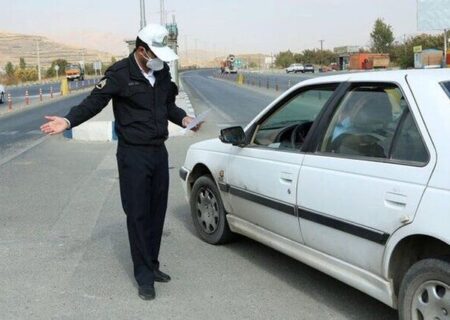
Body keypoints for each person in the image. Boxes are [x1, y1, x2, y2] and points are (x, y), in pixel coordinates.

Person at [40, 24, 199, 301]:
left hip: (158, 153)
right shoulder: (120, 74)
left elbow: (169, 106)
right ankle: (144, 276)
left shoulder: (161, 75)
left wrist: (184, 119)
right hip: (133, 154)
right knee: (138, 214)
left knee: (156, 212)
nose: (159, 59)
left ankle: (152, 264)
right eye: (155, 53)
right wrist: (67, 120)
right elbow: (93, 102)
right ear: (141, 50)